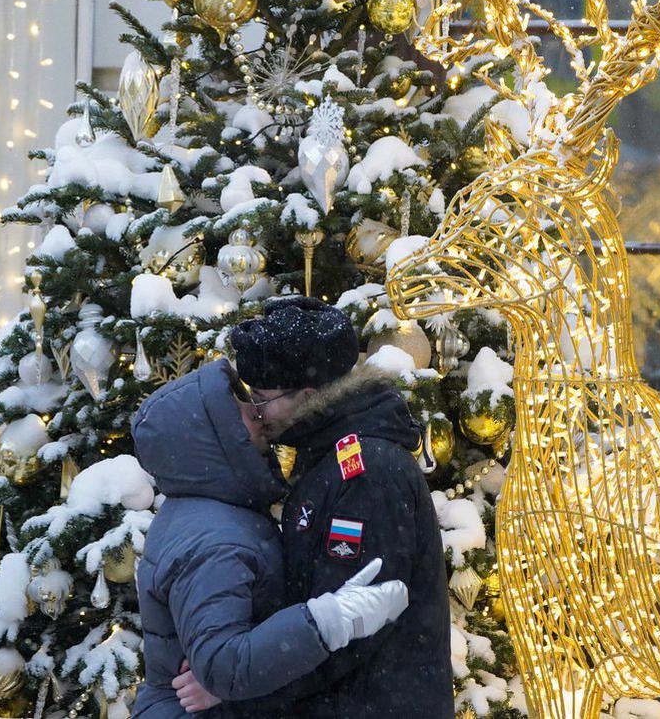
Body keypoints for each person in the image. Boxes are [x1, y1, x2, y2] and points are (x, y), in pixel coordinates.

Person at [174, 296, 452, 717]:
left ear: (306, 395)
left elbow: (348, 627)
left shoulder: (366, 473)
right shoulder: (329, 453)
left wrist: (234, 686)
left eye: (264, 397)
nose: (258, 413)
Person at [131, 342, 410, 719]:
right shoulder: (214, 540)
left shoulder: (217, 511)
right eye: (243, 412)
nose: (259, 415)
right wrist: (327, 620)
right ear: (215, 441)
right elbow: (222, 665)